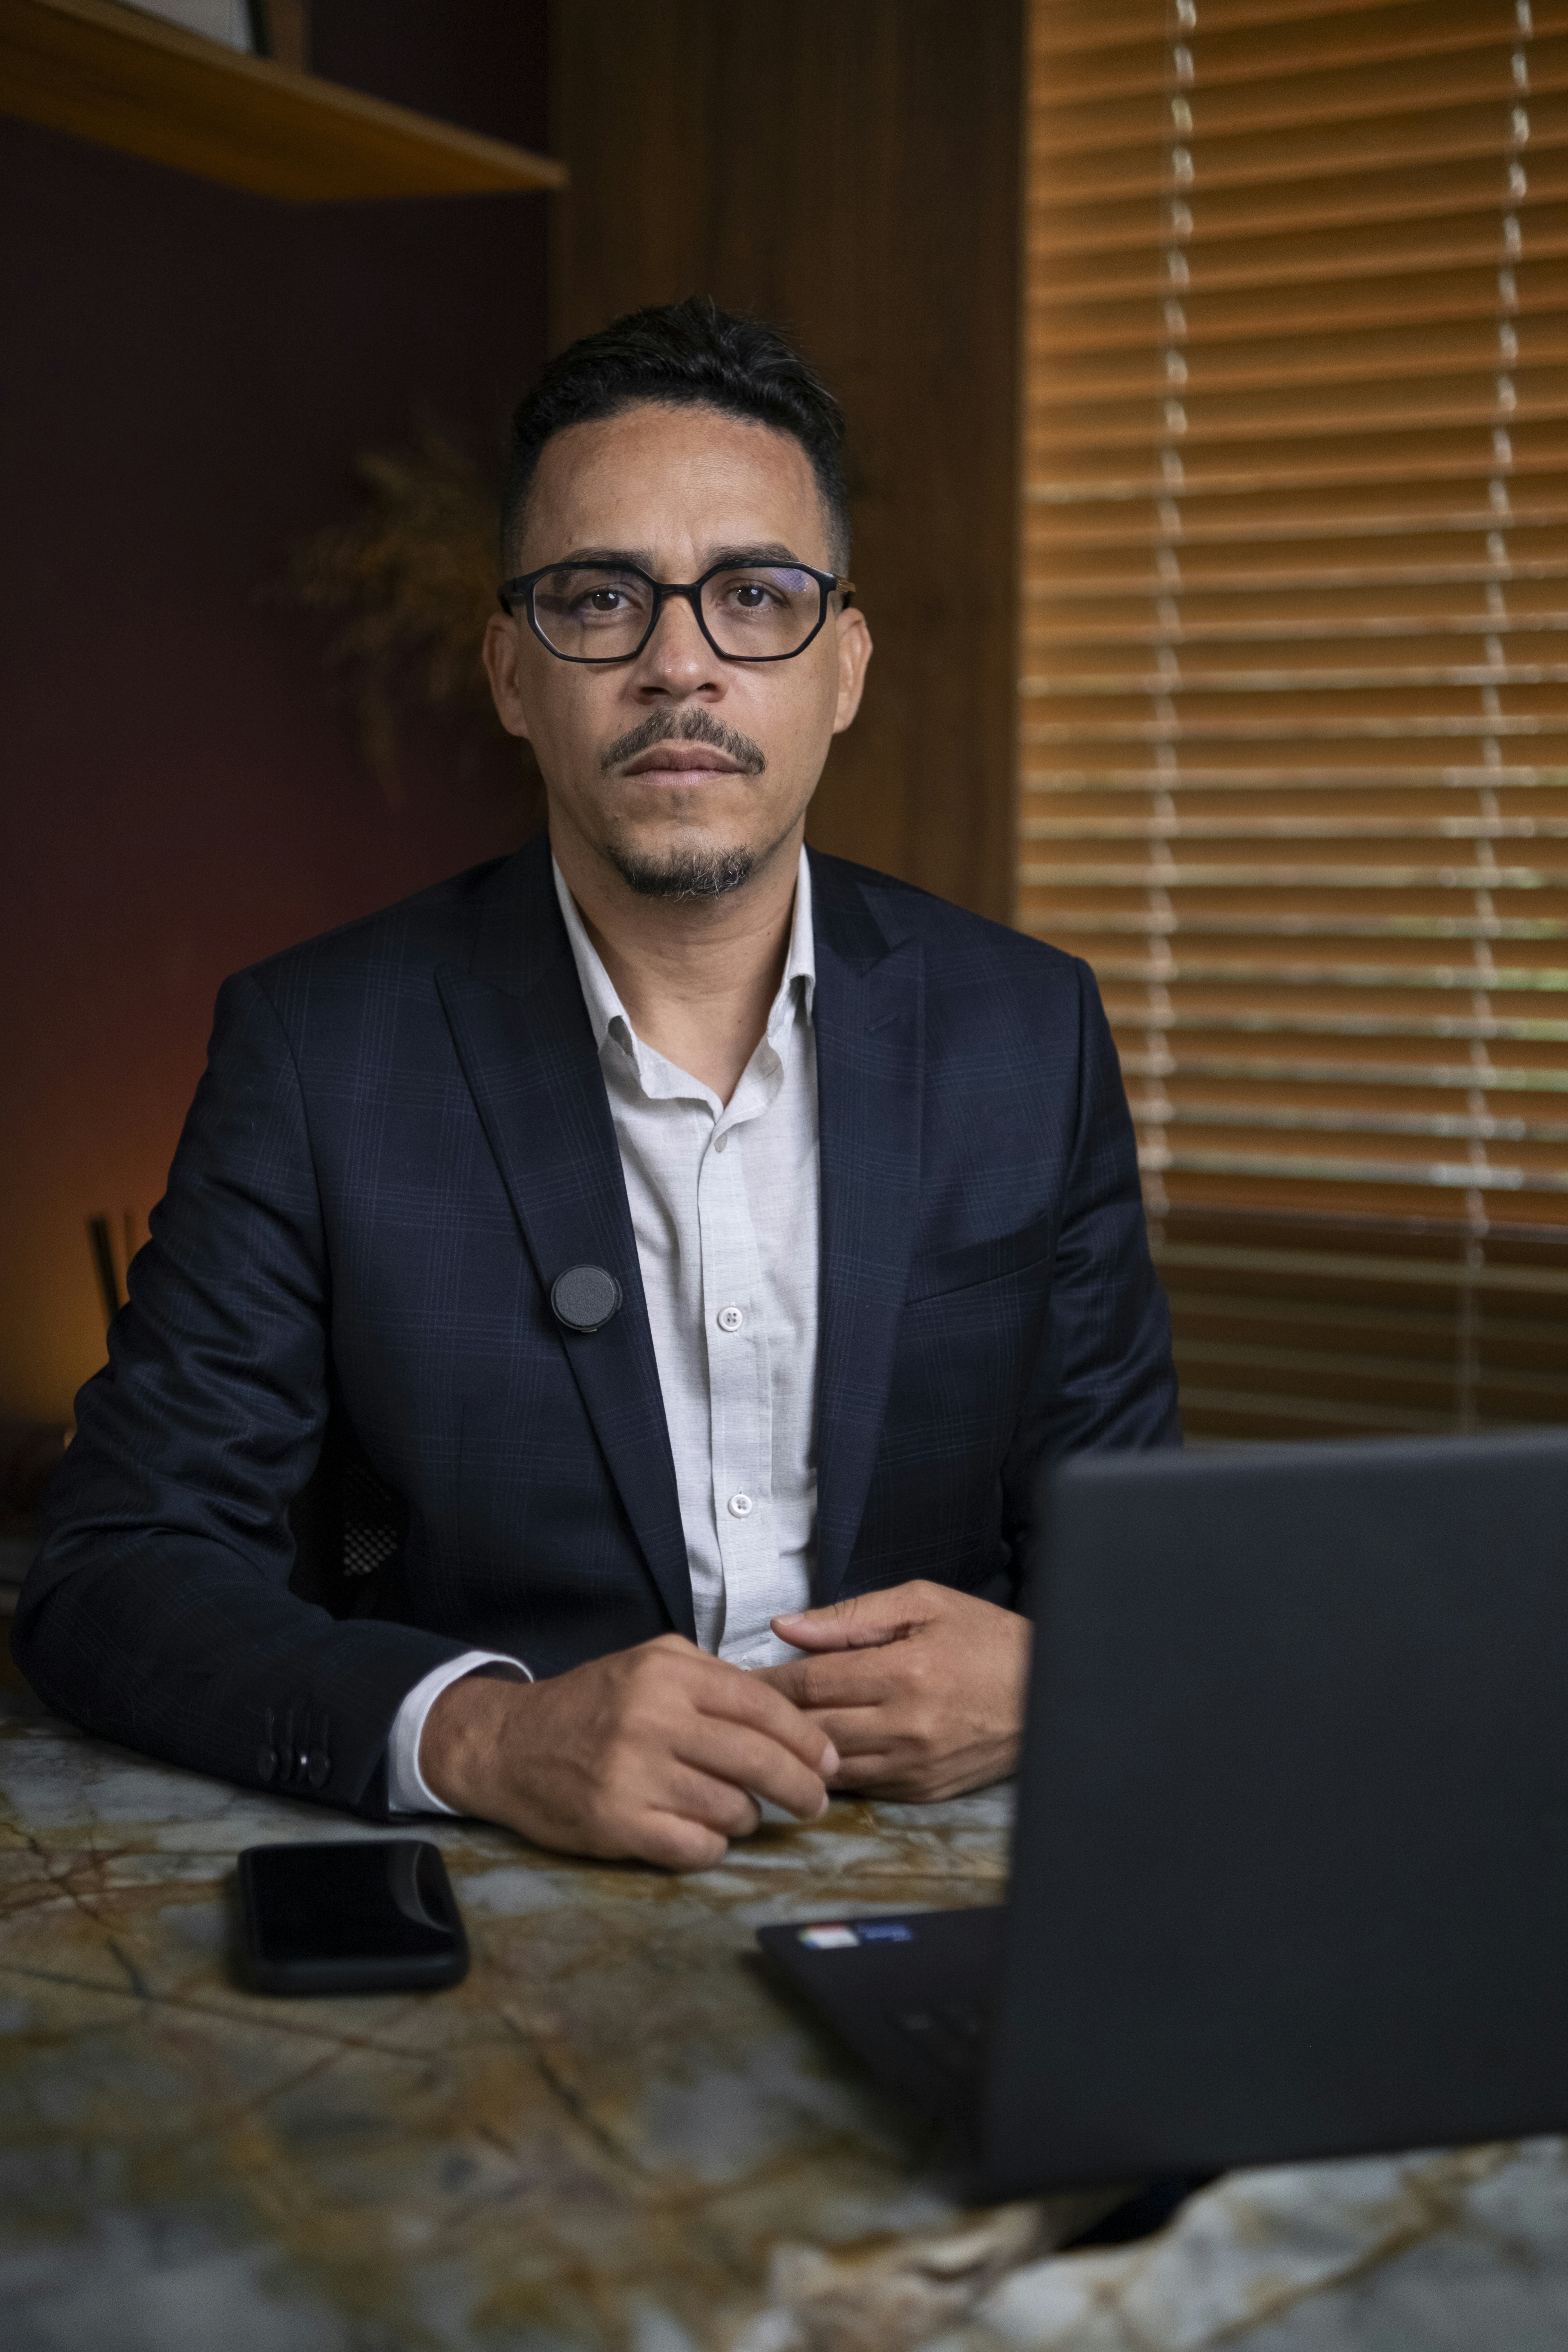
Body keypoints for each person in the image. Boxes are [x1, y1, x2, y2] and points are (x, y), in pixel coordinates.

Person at [16, 299, 1178, 1871]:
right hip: (500, 1888)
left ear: (842, 665)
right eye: (598, 598)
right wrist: (482, 1733)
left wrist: (1073, 1676)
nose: (677, 664)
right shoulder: (317, 1050)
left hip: (949, 1879)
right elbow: (114, 1567)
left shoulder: (1028, 1032)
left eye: (754, 596)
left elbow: (1138, 1546)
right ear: (511, 670)